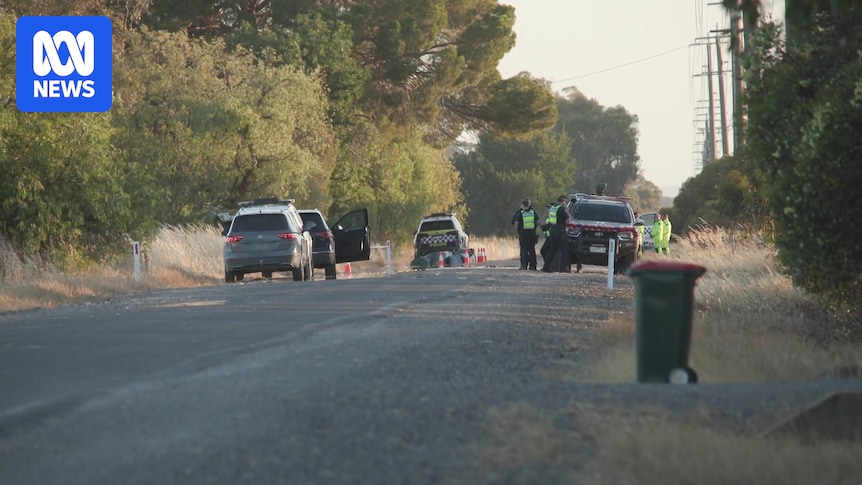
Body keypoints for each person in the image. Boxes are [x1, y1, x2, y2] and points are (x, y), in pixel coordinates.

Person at [541, 195, 571, 273]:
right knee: (564, 250)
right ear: (563, 201)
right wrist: (567, 210)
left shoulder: (553, 208)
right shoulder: (561, 209)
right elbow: (568, 219)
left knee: (552, 250)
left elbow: (550, 221)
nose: (565, 203)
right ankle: (563, 268)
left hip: (553, 231)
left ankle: (546, 267)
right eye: (565, 202)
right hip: (560, 231)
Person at [512, 198, 538, 270]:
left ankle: (524, 266)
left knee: (524, 250)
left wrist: (517, 233)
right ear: (529, 205)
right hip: (532, 234)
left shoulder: (521, 213)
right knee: (532, 250)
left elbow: (516, 224)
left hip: (523, 234)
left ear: (523, 205)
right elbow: (538, 222)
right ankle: (533, 266)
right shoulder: (533, 212)